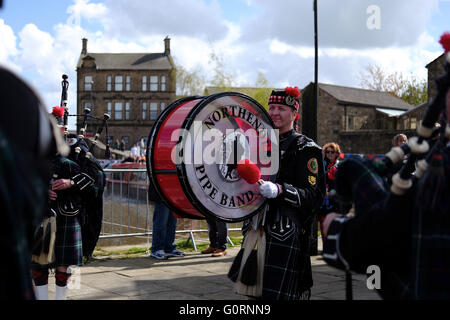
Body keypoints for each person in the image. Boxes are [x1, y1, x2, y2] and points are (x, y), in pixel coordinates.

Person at [232, 86, 325, 300]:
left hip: (285, 232)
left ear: (294, 114)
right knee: (251, 294)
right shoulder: (257, 144)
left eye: (281, 108)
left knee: (279, 296)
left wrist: (280, 191)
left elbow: (314, 195)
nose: (274, 112)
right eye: (271, 107)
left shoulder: (306, 148)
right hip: (255, 226)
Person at [0, 66, 68, 300]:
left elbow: (94, 176)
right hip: (38, 216)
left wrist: (70, 182)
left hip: (64, 214)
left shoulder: (14, 92)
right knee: (38, 267)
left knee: (62, 266)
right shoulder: (15, 91)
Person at [148, 182, 185, 260]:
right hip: (161, 193)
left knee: (172, 223)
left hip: (173, 194)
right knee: (161, 222)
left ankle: (169, 247)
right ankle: (157, 249)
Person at [318, 142, 341, 238]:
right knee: (323, 226)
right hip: (323, 201)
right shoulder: (321, 165)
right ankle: (325, 249)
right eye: (328, 152)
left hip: (335, 201)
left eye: (332, 152)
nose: (330, 154)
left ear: (337, 153)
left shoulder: (339, 166)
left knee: (334, 226)